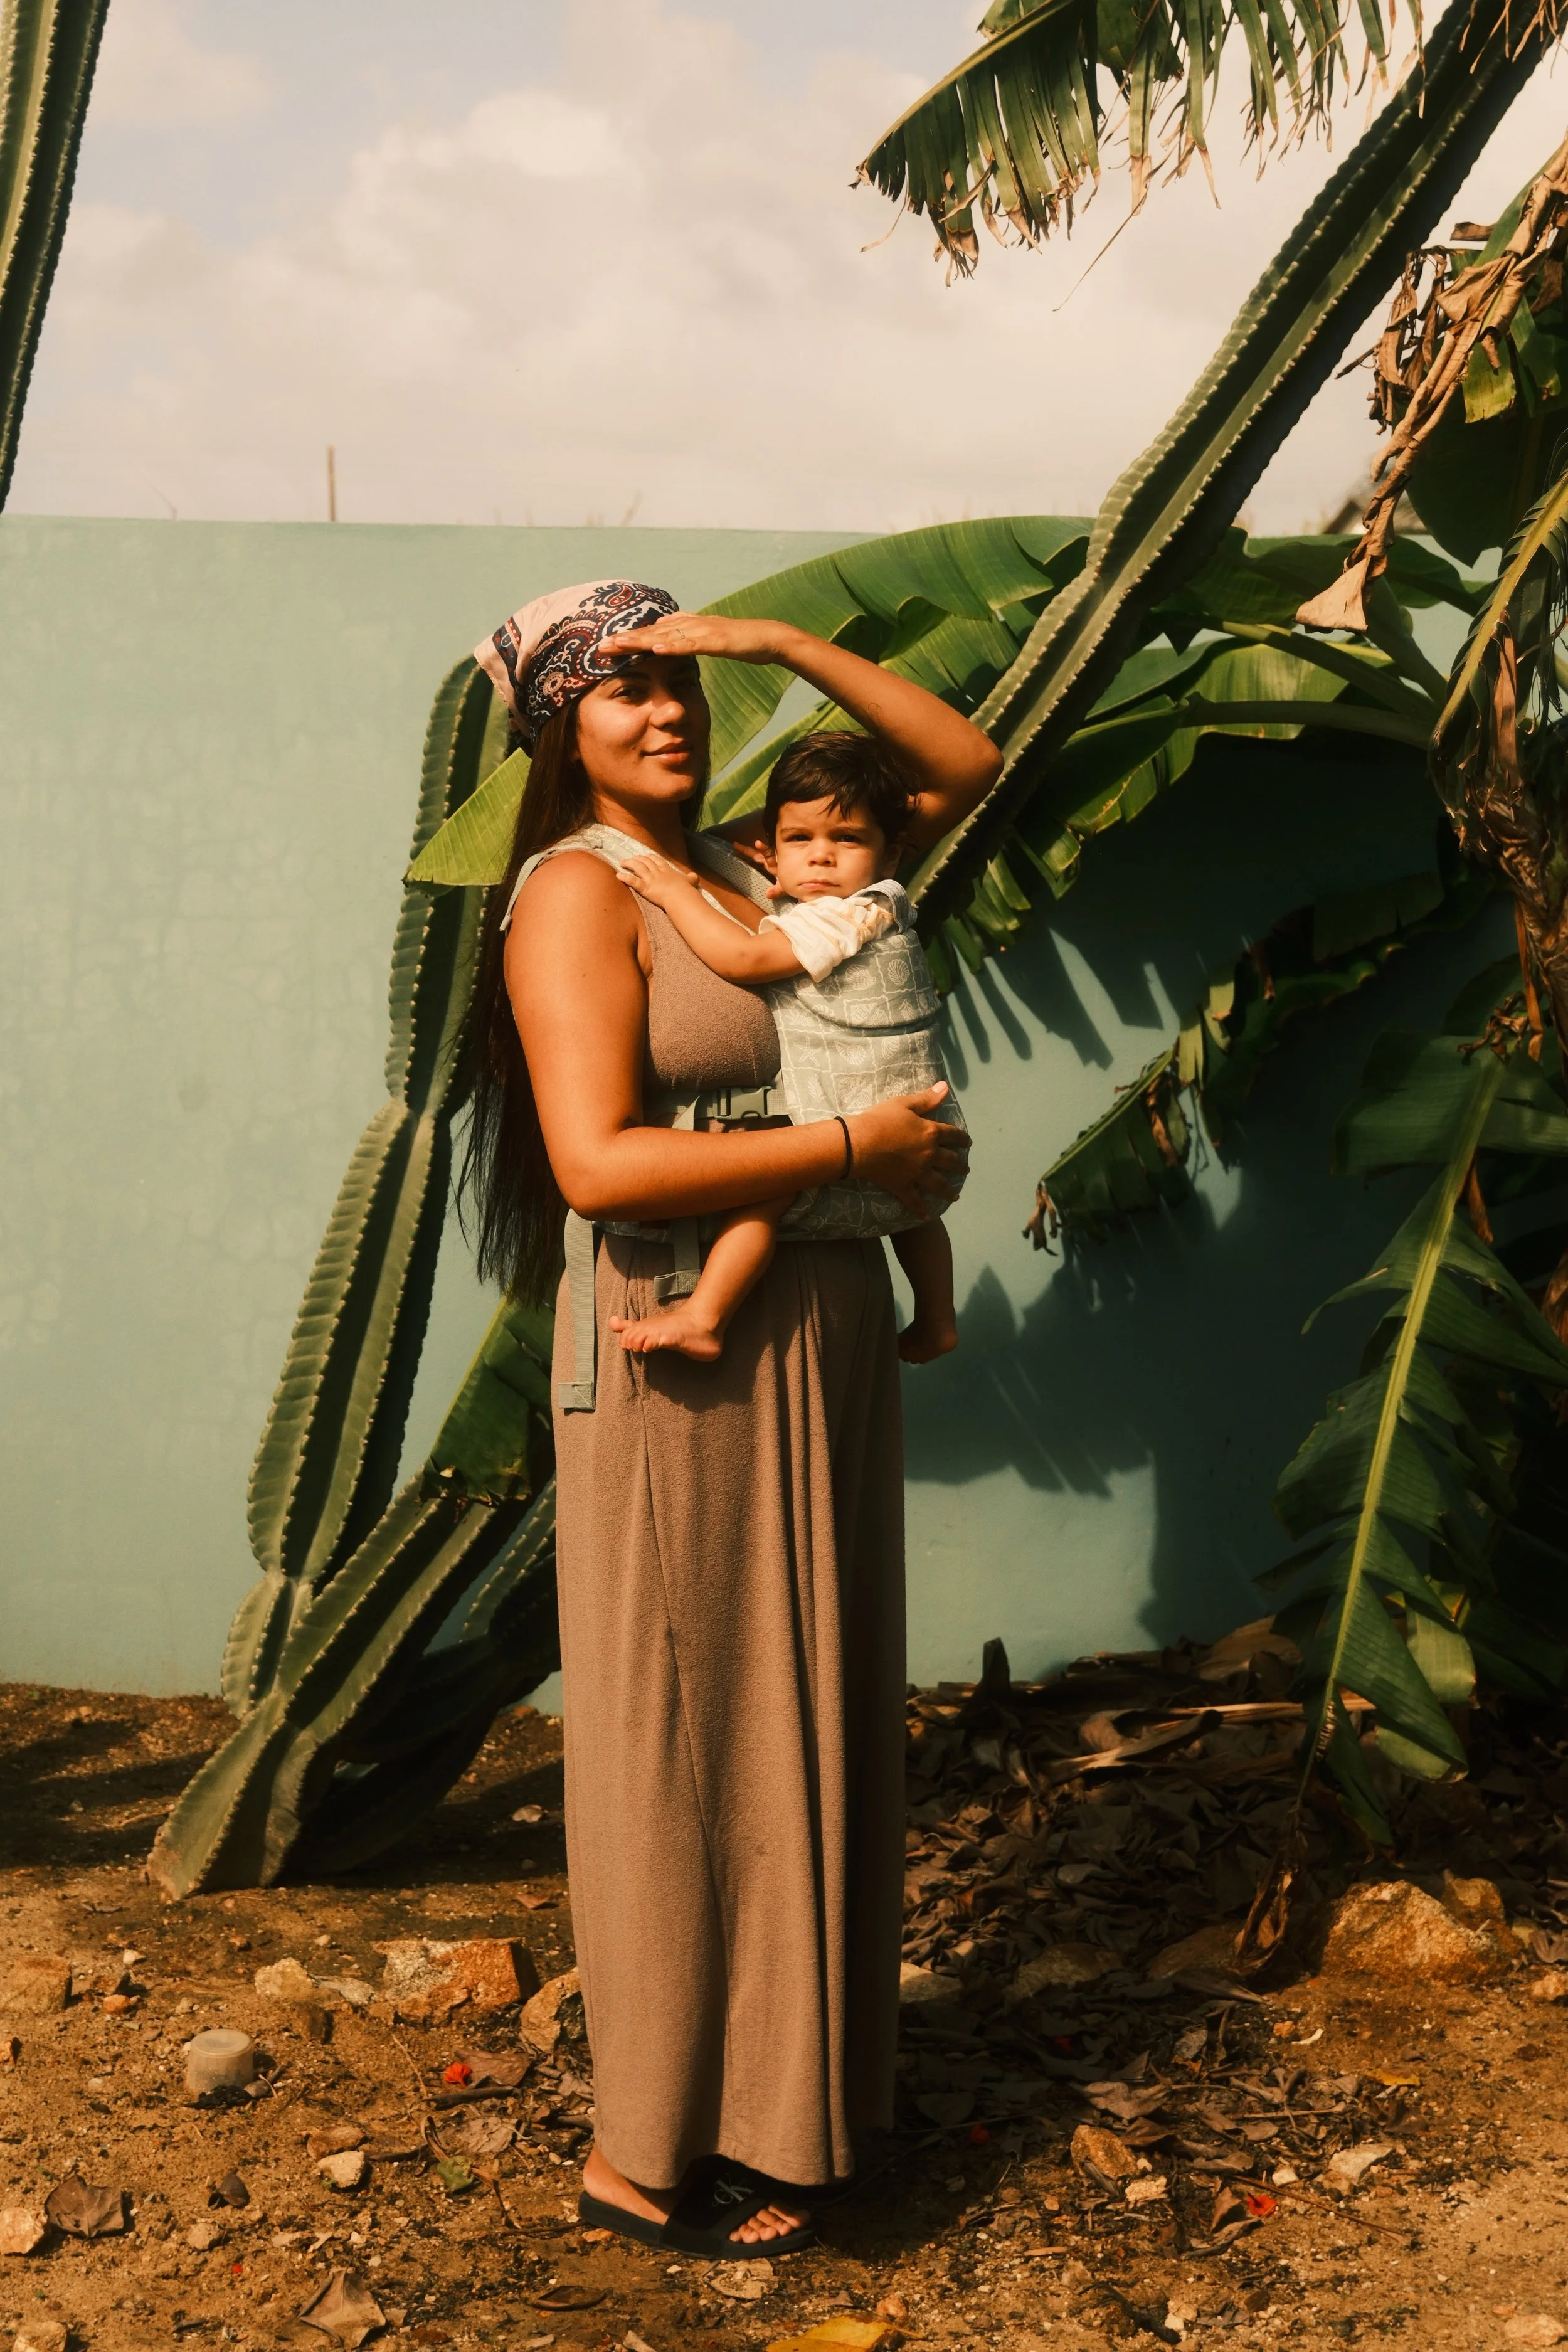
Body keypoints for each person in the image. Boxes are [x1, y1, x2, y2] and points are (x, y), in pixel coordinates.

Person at [460, 578, 999, 2259]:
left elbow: (963, 759)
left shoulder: (749, 870)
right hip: (678, 1345)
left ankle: (791, 2114)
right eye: (614, 687)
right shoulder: (574, 890)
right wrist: (860, 1158)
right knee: (684, 1746)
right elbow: (599, 1161)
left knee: (807, 1723)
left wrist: (773, 644)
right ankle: (644, 2152)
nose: (662, 710)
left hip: (812, 1332)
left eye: (675, 678)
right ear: (556, 724)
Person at [607, 728, 963, 1367]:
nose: (820, 859)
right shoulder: (834, 910)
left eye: (846, 840)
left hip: (866, 1127)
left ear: (888, 861)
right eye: (800, 840)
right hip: (913, 1138)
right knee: (916, 1215)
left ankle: (705, 1314)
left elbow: (742, 958)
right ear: (771, 855)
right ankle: (937, 1319)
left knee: (763, 1194)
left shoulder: (852, 914)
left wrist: (676, 894)